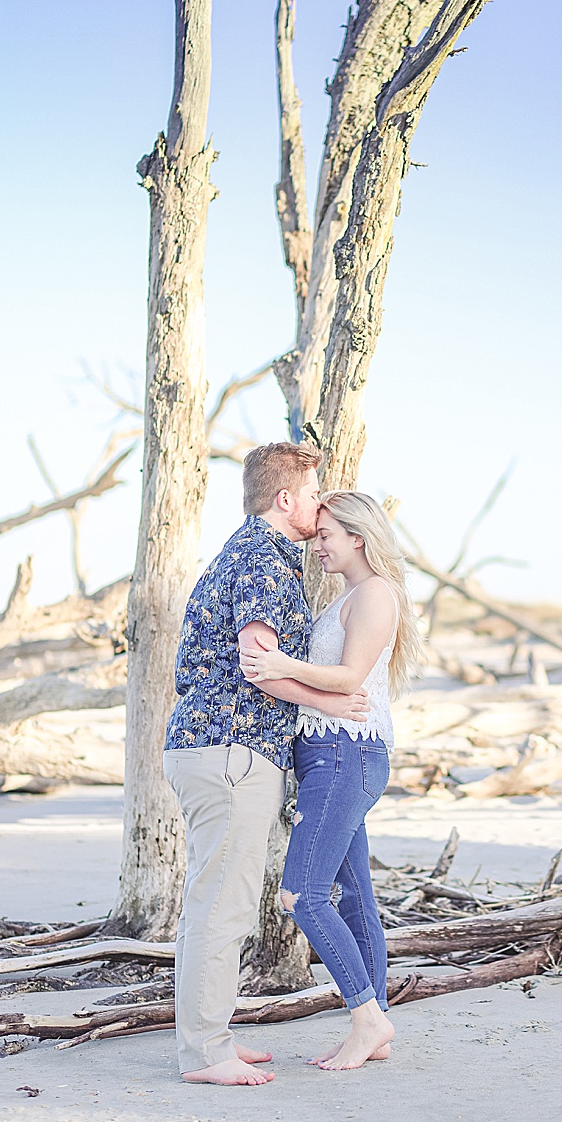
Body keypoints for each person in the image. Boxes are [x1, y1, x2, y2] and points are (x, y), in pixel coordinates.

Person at [163, 443, 370, 1087]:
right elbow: (260, 663)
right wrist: (332, 698)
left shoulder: (249, 553)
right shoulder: (261, 559)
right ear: (286, 499)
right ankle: (205, 1055)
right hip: (230, 748)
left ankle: (212, 1036)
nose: (318, 505)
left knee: (217, 899)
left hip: (220, 746)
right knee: (222, 904)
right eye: (312, 495)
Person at [241, 490, 422, 1071]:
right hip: (331, 755)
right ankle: (375, 1026)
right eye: (316, 535)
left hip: (346, 755)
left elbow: (348, 677)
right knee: (355, 897)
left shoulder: (375, 594)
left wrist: (282, 667)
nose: (316, 545)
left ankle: (369, 1018)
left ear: (358, 537)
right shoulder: (350, 595)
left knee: (303, 895)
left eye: (327, 535)